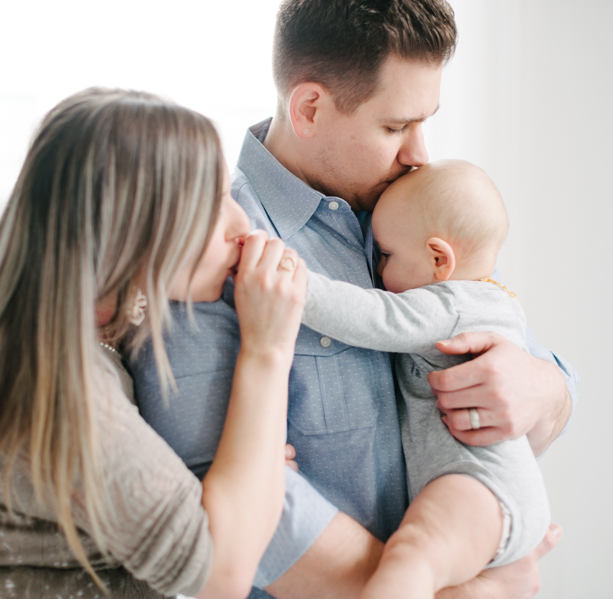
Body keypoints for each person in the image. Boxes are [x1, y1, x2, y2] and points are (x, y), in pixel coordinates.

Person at [132, 1, 579, 597]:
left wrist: (543, 390)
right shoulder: (213, 252)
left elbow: (530, 363)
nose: (419, 152)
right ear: (310, 107)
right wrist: (461, 589)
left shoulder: (408, 209)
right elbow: (240, 505)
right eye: (395, 127)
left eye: (425, 122)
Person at [0, 87, 310, 599]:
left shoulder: (12, 317)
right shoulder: (50, 383)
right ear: (125, 226)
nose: (240, 224)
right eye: (207, 205)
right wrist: (268, 349)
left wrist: (248, 475)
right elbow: (222, 573)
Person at [301, 160, 550, 599]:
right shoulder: (493, 299)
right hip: (493, 490)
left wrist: (294, 284)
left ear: (439, 259)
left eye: (386, 255)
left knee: (411, 555)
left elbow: (373, 317)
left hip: (479, 483)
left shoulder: (451, 304)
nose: (377, 271)